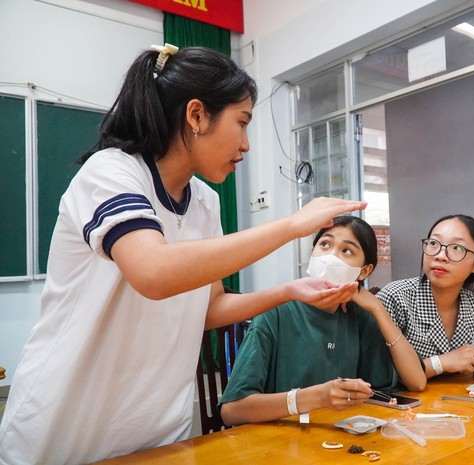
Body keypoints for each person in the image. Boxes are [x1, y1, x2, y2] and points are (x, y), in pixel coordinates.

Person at [0, 44, 366, 465]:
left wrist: (289, 290)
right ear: (196, 115)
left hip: (155, 428)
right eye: (241, 123)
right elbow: (154, 273)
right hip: (65, 428)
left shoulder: (205, 203)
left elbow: (207, 309)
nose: (246, 145)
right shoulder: (112, 172)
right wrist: (289, 226)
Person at [219, 215, 427, 426]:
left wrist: (377, 308)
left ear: (364, 271)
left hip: (340, 442)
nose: (330, 257)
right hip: (281, 443)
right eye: (325, 244)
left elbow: (416, 381)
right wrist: (317, 397)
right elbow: (232, 410)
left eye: (346, 251)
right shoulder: (275, 313)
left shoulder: (361, 317)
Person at [377, 214, 474, 380]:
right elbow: (377, 372)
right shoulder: (396, 297)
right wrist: (440, 363)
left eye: (456, 248)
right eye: (434, 243)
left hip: (463, 401)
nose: (440, 255)